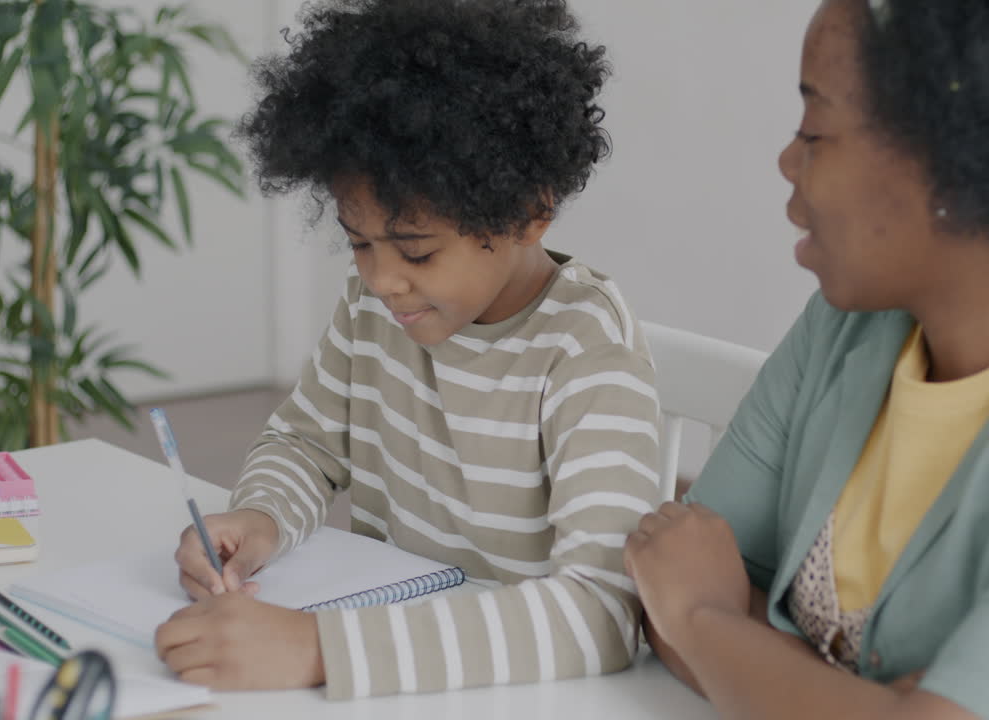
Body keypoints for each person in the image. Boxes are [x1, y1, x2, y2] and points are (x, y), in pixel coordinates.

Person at [625, 0, 989, 718]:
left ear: (958, 158)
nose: (787, 160)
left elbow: (687, 604)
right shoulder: (851, 320)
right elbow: (672, 567)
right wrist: (870, 702)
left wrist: (707, 621)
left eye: (814, 130)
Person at [154, 0, 662, 698]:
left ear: (529, 211)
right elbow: (306, 444)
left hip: (525, 691)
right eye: (359, 242)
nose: (382, 279)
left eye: (417, 251)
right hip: (399, 676)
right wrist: (260, 517)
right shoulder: (376, 310)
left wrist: (319, 649)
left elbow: (602, 611)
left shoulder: (585, 350)